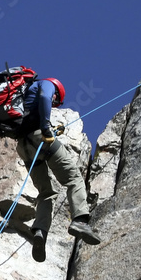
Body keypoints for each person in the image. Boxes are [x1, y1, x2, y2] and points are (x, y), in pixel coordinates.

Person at [16, 76, 101, 262]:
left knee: (46, 193)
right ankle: (79, 221)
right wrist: (46, 127)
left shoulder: (23, 97)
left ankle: (40, 232)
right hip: (40, 138)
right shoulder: (46, 84)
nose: (54, 104)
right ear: (58, 91)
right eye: (57, 101)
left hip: (23, 147)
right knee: (74, 179)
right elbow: (46, 98)